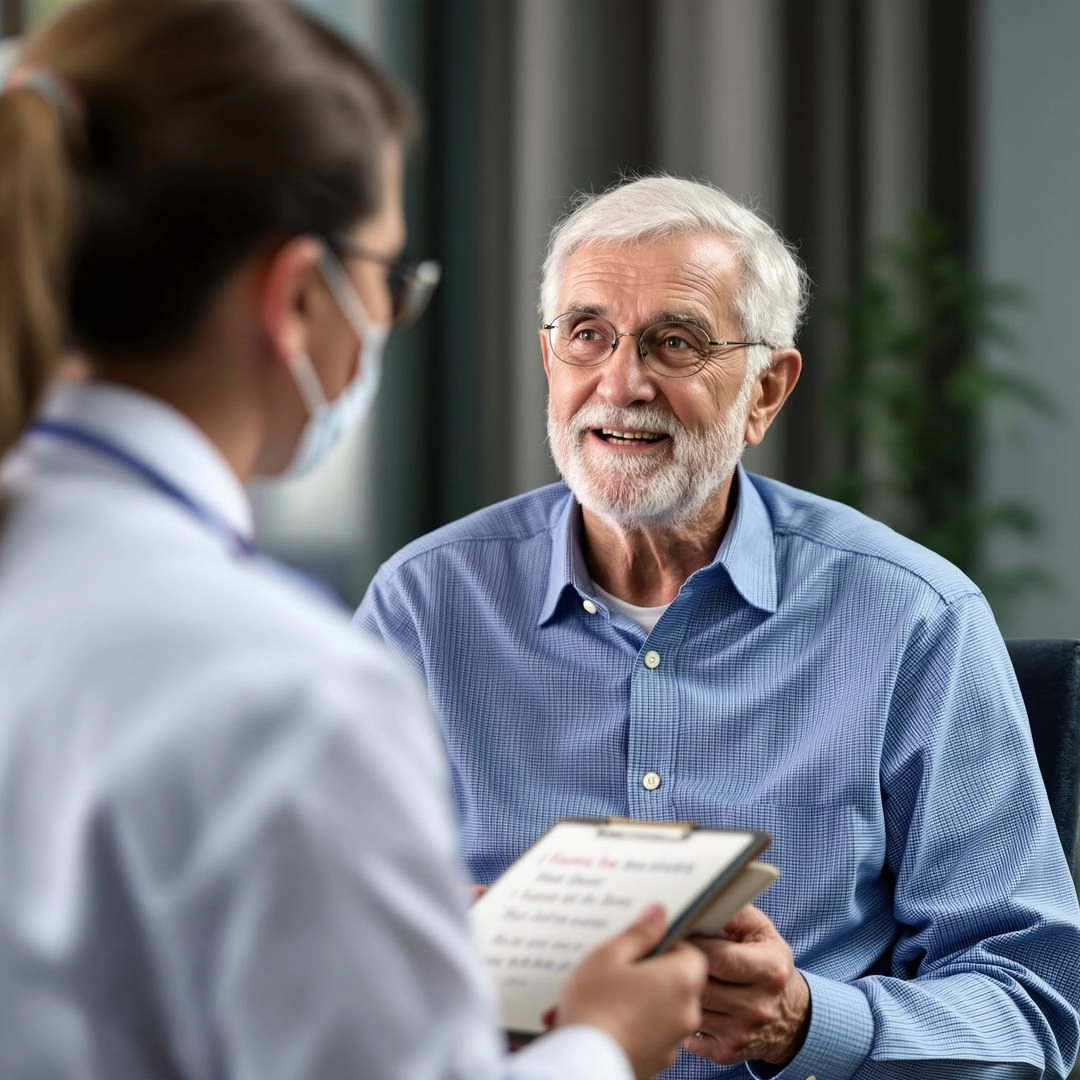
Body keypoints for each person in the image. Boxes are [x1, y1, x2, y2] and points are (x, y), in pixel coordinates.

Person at [0, 6, 710, 1079]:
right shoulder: (291, 686)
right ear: (296, 297)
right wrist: (606, 1044)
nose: (622, 381)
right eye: (388, 275)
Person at [356, 174, 1080, 1079]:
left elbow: (1029, 1005)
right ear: (551, 361)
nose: (622, 383)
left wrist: (807, 1019)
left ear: (766, 390)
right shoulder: (423, 606)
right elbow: (310, 936)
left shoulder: (911, 619)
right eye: (589, 336)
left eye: (676, 343)